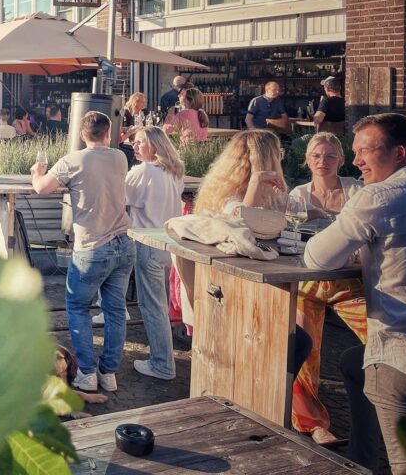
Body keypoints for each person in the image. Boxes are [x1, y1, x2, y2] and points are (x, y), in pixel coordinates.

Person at [303, 114, 406, 473]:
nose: (356, 162)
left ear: (399, 153)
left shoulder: (379, 197)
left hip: (405, 358)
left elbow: (317, 257)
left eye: (365, 151)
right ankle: (363, 461)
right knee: (354, 363)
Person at [185, 129, 313, 376]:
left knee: (297, 341)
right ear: (267, 159)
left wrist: (321, 213)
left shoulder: (270, 192)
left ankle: (276, 395)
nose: (281, 158)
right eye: (278, 153)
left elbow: (293, 213)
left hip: (258, 282)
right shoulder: (228, 196)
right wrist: (256, 182)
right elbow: (241, 227)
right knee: (295, 342)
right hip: (230, 289)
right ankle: (267, 393)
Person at [31, 111, 133, 393]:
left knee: (77, 307)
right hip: (123, 245)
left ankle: (87, 373)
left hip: (92, 247)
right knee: (114, 311)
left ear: (80, 134)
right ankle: (108, 374)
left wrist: (38, 172)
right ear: (108, 131)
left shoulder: (72, 161)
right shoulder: (120, 157)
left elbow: (41, 189)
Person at [288, 132, 365, 446]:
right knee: (305, 348)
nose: (323, 162)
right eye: (316, 156)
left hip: (348, 280)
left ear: (341, 160)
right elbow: (289, 232)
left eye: (330, 156)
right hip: (310, 280)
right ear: (307, 160)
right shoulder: (298, 194)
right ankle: (313, 424)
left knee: (382, 333)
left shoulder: (356, 190)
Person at [125, 126, 184, 381]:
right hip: (169, 243)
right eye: (134, 143)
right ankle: (164, 359)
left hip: (147, 242)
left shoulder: (143, 171)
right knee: (160, 305)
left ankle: (162, 364)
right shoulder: (175, 172)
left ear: (155, 146)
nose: (135, 147)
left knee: (152, 307)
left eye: (139, 143)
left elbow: (120, 197)